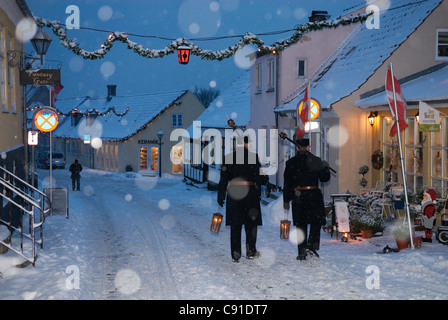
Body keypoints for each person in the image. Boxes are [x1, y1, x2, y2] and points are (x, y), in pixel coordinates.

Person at [217, 136, 269, 262]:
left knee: (236, 224)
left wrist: (221, 195)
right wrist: (265, 178)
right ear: (247, 144)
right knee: (251, 224)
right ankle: (251, 251)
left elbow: (223, 179)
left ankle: (236, 253)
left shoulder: (229, 158)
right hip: (250, 195)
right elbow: (259, 177)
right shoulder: (253, 157)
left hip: (234, 194)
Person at [283, 138, 331, 261]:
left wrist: (286, 199)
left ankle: (302, 251)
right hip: (313, 195)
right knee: (316, 222)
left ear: (297, 148)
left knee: (300, 224)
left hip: (298, 196)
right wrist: (325, 166)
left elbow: (287, 183)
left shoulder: (291, 163)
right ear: (308, 147)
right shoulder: (315, 160)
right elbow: (324, 178)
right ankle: (311, 245)